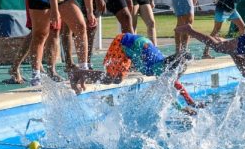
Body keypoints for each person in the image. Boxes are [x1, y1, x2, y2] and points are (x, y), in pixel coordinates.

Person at [69, 32, 201, 113]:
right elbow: (166, 94)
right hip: (122, 43)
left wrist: (190, 102)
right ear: (174, 68)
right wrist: (182, 109)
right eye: (180, 72)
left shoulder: (164, 64)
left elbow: (176, 85)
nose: (178, 76)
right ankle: (79, 73)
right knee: (113, 79)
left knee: (117, 77)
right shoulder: (159, 68)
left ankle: (83, 74)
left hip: (132, 45)